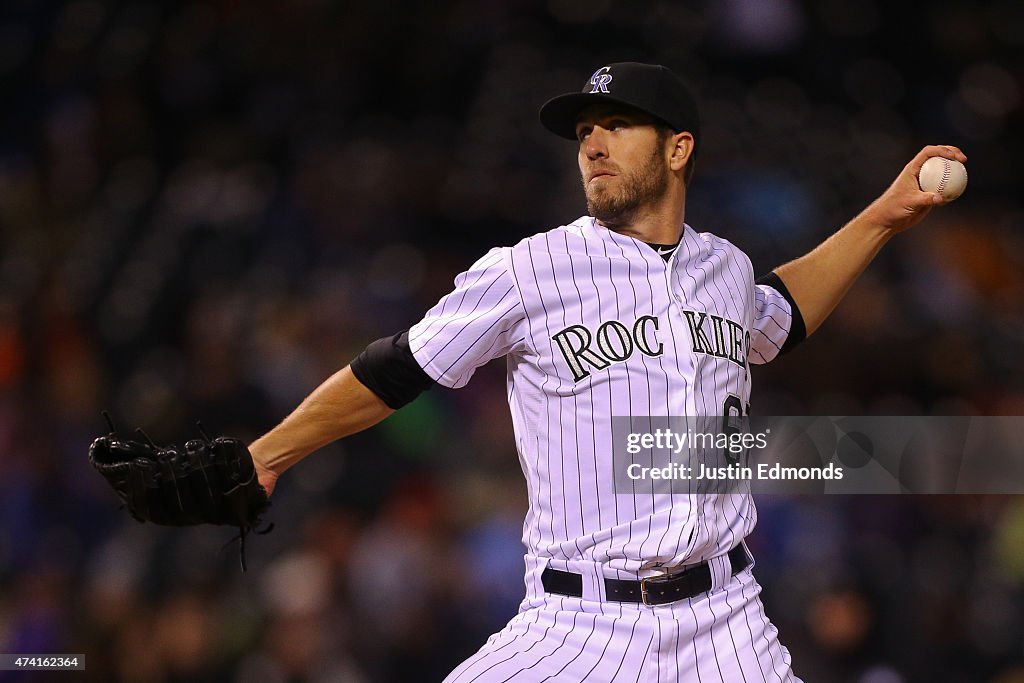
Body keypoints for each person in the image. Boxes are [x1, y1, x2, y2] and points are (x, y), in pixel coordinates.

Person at [249, 62, 966, 681]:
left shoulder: (725, 268)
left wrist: (881, 216)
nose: (591, 142)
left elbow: (780, 312)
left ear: (678, 148)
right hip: (576, 623)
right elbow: (394, 369)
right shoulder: (529, 269)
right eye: (585, 130)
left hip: (726, 622)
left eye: (617, 123)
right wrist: (265, 454)